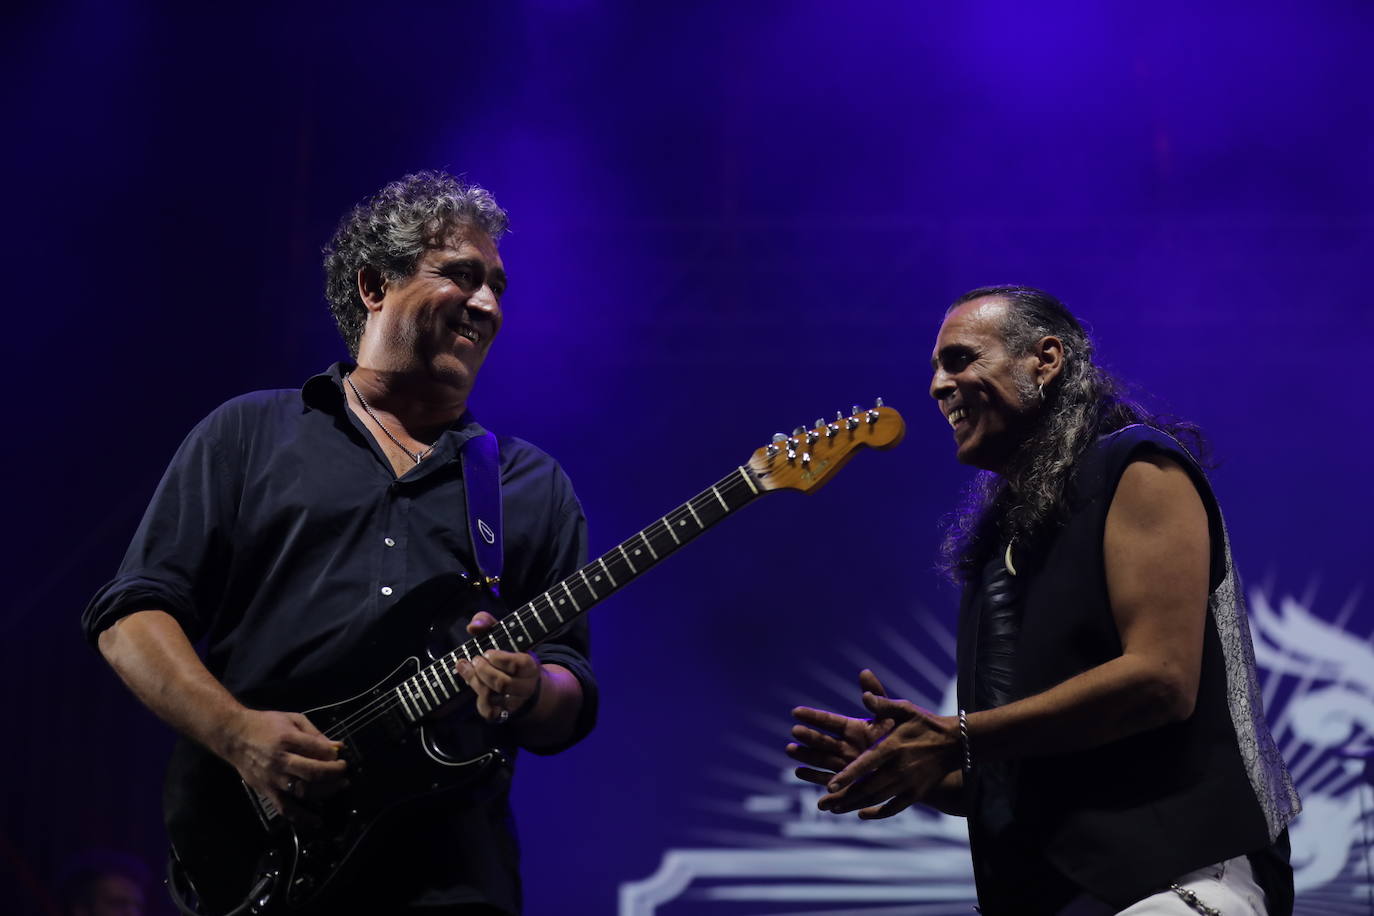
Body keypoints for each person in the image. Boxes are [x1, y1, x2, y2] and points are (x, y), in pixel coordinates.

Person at [83, 171, 597, 914]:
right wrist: (236, 733)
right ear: (373, 287)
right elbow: (130, 619)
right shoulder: (248, 433)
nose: (488, 305)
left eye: (497, 286)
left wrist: (530, 690)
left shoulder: (529, 483)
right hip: (263, 859)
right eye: (462, 275)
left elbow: (569, 688)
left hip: (450, 879)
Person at [787, 286, 1300, 914]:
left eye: (958, 359)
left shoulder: (1136, 467)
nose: (937, 387)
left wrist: (958, 735)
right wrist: (911, 765)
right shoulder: (1001, 545)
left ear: (1045, 359)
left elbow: (1161, 680)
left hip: (1182, 874)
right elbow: (1012, 767)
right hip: (1062, 891)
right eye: (934, 369)